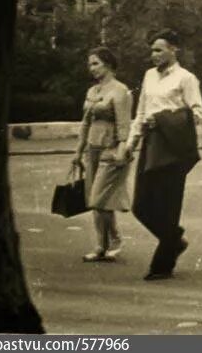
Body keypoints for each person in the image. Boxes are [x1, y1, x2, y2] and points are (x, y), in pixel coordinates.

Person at [120, 29, 202, 281]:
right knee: (141, 206)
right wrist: (131, 144)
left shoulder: (186, 78)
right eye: (152, 50)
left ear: (173, 49)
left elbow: (197, 114)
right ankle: (174, 240)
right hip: (151, 144)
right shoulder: (148, 76)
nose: (153, 55)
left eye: (159, 49)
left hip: (173, 146)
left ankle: (162, 264)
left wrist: (164, 119)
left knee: (168, 206)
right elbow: (142, 111)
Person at [73, 46, 132, 263]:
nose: (92, 69)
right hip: (92, 149)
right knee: (95, 200)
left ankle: (115, 240)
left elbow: (124, 125)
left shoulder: (120, 91)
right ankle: (100, 245)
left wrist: (122, 150)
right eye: (90, 64)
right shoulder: (92, 92)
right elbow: (85, 123)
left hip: (111, 149)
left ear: (108, 64)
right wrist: (77, 152)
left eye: (96, 63)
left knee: (99, 198)